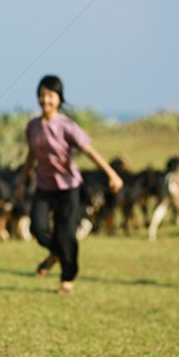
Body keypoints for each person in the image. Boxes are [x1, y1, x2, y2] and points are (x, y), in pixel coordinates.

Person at [17, 75, 123, 296]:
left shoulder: (67, 126)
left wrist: (112, 174)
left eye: (51, 95)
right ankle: (56, 253)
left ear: (59, 98)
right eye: (43, 95)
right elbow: (31, 155)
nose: (46, 100)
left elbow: (90, 152)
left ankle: (67, 279)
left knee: (67, 235)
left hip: (68, 187)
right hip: (44, 186)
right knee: (38, 227)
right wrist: (22, 180)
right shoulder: (33, 126)